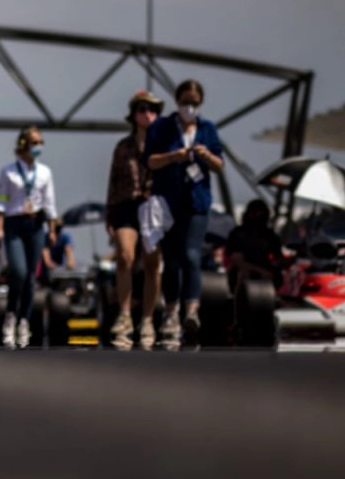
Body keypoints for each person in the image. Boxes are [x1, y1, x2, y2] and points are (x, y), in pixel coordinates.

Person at [145, 79, 224, 348]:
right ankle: (170, 311)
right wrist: (174, 156)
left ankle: (191, 311)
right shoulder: (162, 127)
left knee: (191, 255)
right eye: (185, 102)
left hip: (197, 202)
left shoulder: (207, 129)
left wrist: (205, 156)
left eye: (194, 103)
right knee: (172, 259)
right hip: (168, 202)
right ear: (177, 102)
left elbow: (219, 164)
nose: (189, 107)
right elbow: (151, 161)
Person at [105, 90, 165, 350]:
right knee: (125, 256)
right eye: (142, 109)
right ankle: (125, 314)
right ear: (133, 114)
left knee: (152, 262)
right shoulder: (123, 147)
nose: (147, 114)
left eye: (152, 110)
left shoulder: (164, 145)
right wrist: (109, 213)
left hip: (153, 206)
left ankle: (149, 318)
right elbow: (113, 181)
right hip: (125, 206)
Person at [0, 125, 57, 349]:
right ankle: (10, 315)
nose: (38, 147)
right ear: (23, 145)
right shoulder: (8, 171)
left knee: (31, 277)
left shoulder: (45, 173)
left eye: (40, 143)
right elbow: (1, 201)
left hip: (36, 225)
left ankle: (24, 320)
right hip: (14, 224)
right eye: (34, 142)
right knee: (18, 272)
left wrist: (51, 229)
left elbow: (50, 203)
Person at [225, 198, 285, 294]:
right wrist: (260, 271)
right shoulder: (238, 234)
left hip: (268, 275)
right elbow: (237, 260)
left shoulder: (270, 235)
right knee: (242, 275)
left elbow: (277, 259)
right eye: (257, 213)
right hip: (244, 273)